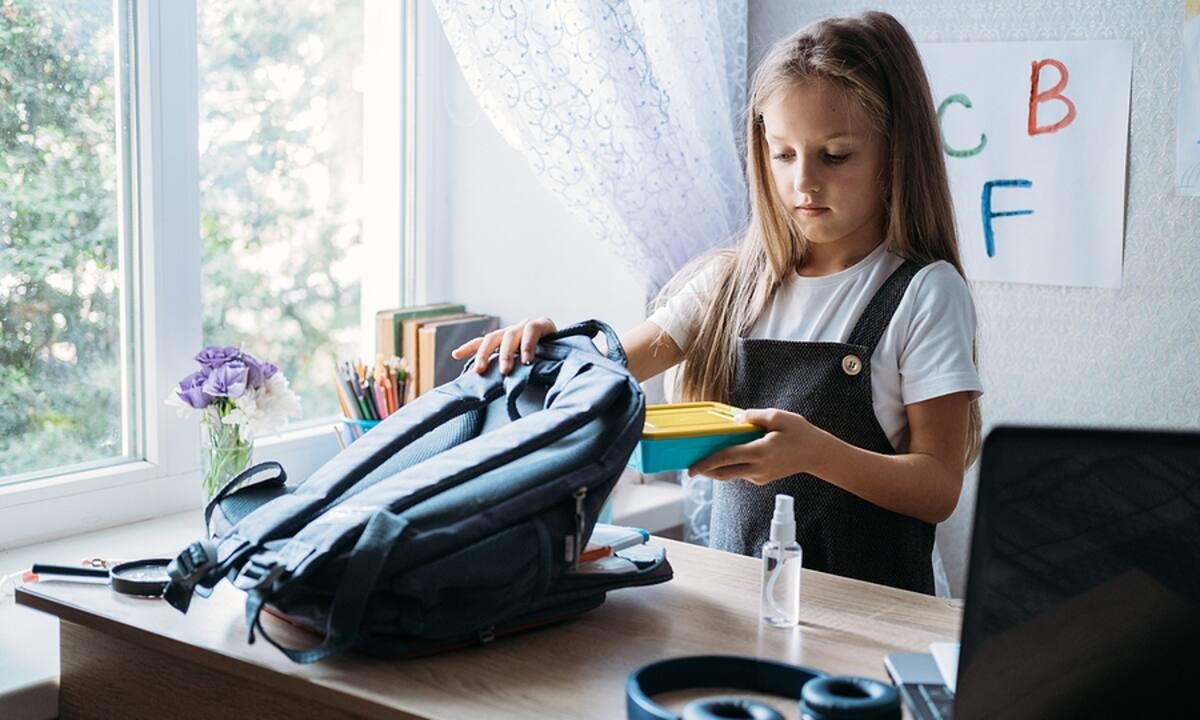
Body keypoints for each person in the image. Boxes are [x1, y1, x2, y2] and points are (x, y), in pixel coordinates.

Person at [451, 11, 982, 594]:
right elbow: (605, 371)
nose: (803, 182)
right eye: (783, 154)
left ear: (895, 152)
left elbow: (938, 488)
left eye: (835, 155)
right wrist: (546, 350)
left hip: (870, 619)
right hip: (738, 608)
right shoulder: (730, 284)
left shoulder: (926, 293)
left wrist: (816, 453)